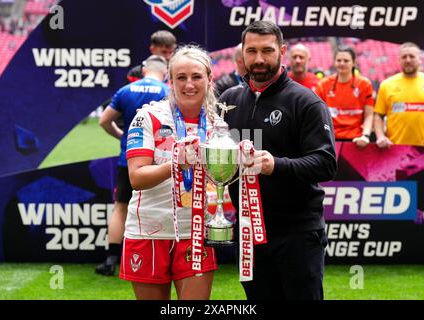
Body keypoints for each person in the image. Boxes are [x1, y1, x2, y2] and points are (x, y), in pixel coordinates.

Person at [220, 20, 337, 300]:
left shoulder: (305, 102)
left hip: (297, 233)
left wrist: (277, 165)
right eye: (252, 51)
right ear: (242, 55)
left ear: (281, 51)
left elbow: (326, 163)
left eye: (267, 50)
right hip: (248, 233)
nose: (259, 59)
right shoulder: (227, 101)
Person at [119, 45, 218, 300]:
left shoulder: (218, 123)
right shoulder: (148, 117)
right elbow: (136, 178)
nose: (189, 85)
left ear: (209, 79)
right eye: (181, 78)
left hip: (196, 231)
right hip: (149, 229)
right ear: (170, 81)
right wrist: (175, 164)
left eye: (196, 77)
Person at [95, 55, 169, 276]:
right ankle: (156, 260)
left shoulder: (126, 90)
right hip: (160, 163)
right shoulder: (168, 91)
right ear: (164, 72)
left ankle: (110, 260)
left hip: (130, 160)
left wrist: (122, 137)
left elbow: (104, 121)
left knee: (121, 207)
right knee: (159, 207)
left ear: (144, 70)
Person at [374, 42, 424, 152]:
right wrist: (381, 136)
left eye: (412, 56)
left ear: (420, 59)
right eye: (404, 57)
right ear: (399, 60)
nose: (408, 60)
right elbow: (378, 116)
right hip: (394, 149)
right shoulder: (387, 85)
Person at [315, 45, 374, 148]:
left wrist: (365, 135)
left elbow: (369, 115)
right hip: (330, 140)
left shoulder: (365, 84)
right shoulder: (323, 84)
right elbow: (317, 115)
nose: (342, 63)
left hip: (357, 140)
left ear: (353, 62)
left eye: (346, 61)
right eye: (339, 60)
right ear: (334, 62)